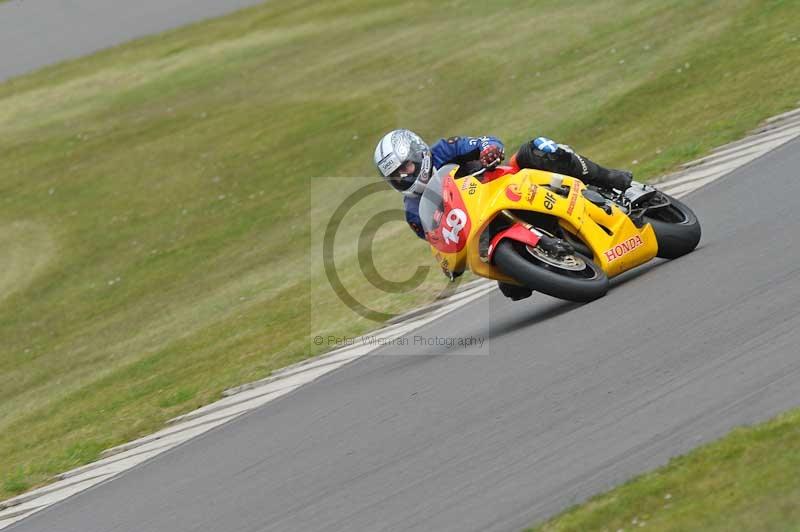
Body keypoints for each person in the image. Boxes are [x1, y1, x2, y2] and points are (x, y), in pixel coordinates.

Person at [373, 129, 633, 300]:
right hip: (487, 230)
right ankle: (549, 259)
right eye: (395, 175)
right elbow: (440, 240)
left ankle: (607, 178)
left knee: (538, 149)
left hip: (510, 188)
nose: (404, 176)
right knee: (512, 288)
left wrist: (490, 151)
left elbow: (485, 141)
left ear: (419, 153)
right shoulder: (413, 212)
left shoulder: (443, 150)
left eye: (405, 166)